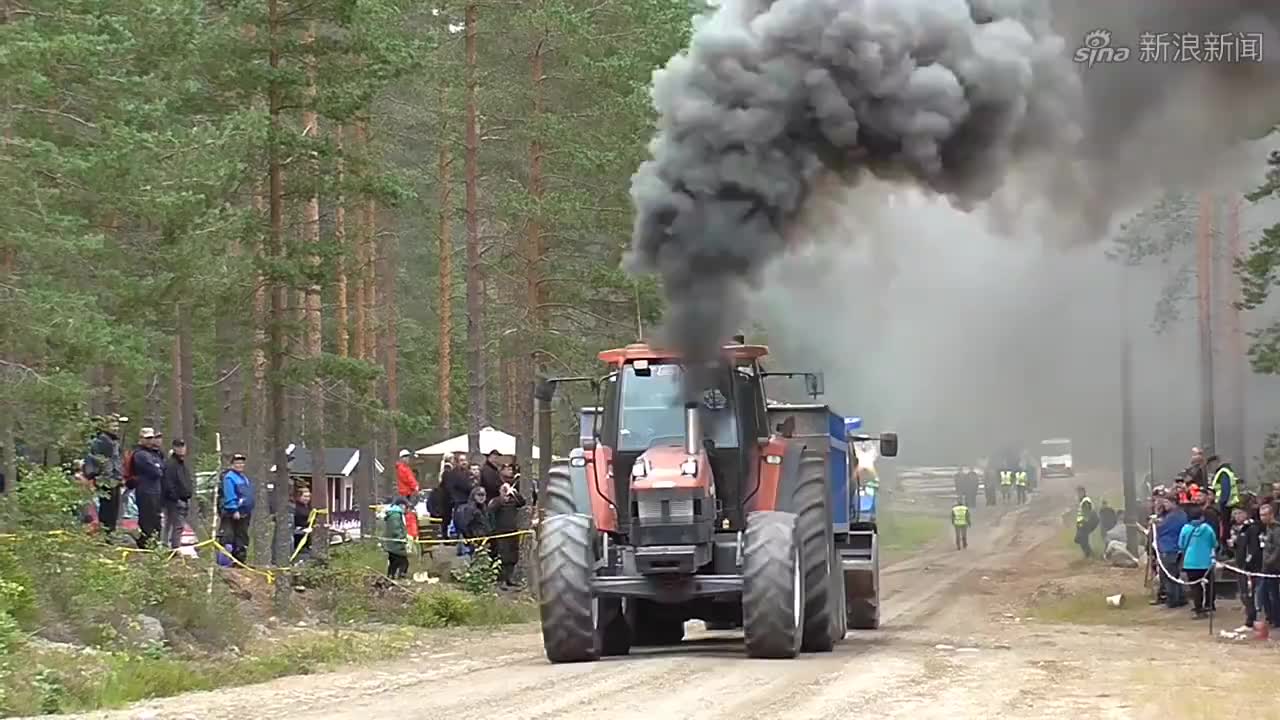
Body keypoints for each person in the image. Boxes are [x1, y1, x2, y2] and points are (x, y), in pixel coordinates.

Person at [83, 414, 126, 536]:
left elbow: (117, 460)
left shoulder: (114, 441)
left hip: (115, 479)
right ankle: (106, 534)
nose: (116, 428)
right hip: (106, 480)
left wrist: (120, 475)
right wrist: (99, 475)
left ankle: (111, 532)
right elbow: (96, 460)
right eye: (113, 426)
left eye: (117, 426)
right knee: (107, 509)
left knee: (114, 510)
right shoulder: (101, 441)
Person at [488, 464, 527, 588]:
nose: (506, 493)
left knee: (513, 556)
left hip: (512, 531)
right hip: (501, 532)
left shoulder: (513, 501)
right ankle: (501, 580)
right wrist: (501, 499)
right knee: (503, 556)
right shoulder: (496, 501)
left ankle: (509, 578)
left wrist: (514, 493)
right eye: (503, 490)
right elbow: (491, 509)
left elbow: (522, 502)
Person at [129, 427, 167, 549]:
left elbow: (162, 468)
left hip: (156, 491)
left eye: (151, 438)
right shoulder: (140, 454)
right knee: (147, 520)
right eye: (147, 438)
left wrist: (158, 467)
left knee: (156, 520)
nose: (150, 441)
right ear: (141, 439)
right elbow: (156, 471)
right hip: (145, 491)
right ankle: (146, 546)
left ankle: (154, 545)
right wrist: (157, 467)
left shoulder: (155, 454)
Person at [1178, 506, 1219, 618]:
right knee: (1210, 584)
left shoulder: (1185, 529)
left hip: (1191, 562)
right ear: (1202, 517)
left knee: (1195, 586)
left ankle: (1198, 608)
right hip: (1207, 561)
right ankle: (1209, 605)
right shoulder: (1208, 529)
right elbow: (1214, 543)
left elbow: (1181, 544)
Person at [1226, 505, 1262, 632]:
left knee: (1249, 594)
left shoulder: (1252, 528)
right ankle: (1250, 617)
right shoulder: (1239, 530)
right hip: (1240, 566)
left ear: (1246, 513)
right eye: (1235, 514)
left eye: (1239, 513)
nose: (1236, 516)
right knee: (1243, 594)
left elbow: (1253, 549)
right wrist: (1233, 544)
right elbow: (1238, 548)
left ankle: (1251, 621)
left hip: (1249, 568)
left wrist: (1248, 563)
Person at [219, 454, 255, 564]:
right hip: (233, 513)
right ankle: (225, 563)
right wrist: (234, 510)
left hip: (245, 513)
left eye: (241, 463)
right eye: (237, 463)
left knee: (242, 538)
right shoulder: (229, 478)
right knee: (229, 537)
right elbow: (229, 495)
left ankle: (240, 561)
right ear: (232, 465)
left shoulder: (244, 478)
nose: (240, 465)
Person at [1153, 497, 1188, 608]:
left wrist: (1156, 522)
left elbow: (1161, 529)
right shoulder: (1177, 515)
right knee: (1174, 574)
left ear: (1173, 503)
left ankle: (1173, 598)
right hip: (1173, 547)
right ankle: (1180, 597)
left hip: (1169, 547)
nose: (1165, 505)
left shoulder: (1175, 516)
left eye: (1166, 502)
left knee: (1168, 575)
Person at [161, 438, 193, 550]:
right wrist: (175, 497)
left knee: (178, 526)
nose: (181, 449)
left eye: (182, 446)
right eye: (178, 447)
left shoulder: (181, 464)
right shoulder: (171, 464)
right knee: (175, 526)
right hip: (174, 501)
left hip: (183, 499)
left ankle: (172, 547)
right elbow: (168, 483)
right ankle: (173, 548)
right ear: (174, 448)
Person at [1206, 454, 1241, 545]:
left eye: (1210, 466)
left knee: (1225, 528)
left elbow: (1225, 490)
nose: (1210, 468)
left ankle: (1225, 546)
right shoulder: (1225, 471)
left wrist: (1221, 503)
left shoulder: (1223, 472)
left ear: (1215, 463)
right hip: (1229, 504)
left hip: (1226, 505)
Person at [1257, 502, 1280, 628]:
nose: (1262, 517)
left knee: (1273, 594)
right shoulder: (1267, 528)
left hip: (1273, 567)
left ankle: (1276, 619)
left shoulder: (1276, 529)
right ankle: (1271, 617)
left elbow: (1278, 548)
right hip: (1266, 565)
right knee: (1265, 593)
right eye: (1261, 515)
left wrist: (1269, 561)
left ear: (1271, 515)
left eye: (1265, 515)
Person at [383, 497, 411, 579]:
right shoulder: (395, 515)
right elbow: (396, 529)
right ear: (401, 505)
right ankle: (399, 577)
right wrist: (403, 537)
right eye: (406, 506)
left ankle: (390, 576)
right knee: (403, 563)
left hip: (392, 544)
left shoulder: (395, 514)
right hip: (396, 544)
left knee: (393, 562)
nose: (406, 509)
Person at [1075, 486, 1097, 559]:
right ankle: (1088, 554)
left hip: (1086, 524)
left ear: (1083, 492)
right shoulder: (1082, 500)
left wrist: (1082, 524)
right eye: (1078, 492)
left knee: (1082, 539)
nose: (1078, 494)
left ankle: (1089, 555)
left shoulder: (1085, 501)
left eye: (1080, 492)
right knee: (1081, 539)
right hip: (1083, 524)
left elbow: (1087, 513)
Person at [292, 485, 313, 561]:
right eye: (305, 496)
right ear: (299, 497)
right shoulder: (295, 507)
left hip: (308, 534)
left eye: (308, 497)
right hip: (298, 535)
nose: (307, 498)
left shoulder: (309, 507)